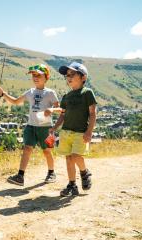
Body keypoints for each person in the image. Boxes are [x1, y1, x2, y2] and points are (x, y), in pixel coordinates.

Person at [0, 64, 59, 186]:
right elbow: (15, 101)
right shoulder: (30, 92)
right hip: (31, 126)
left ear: (46, 77)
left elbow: (58, 108)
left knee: (47, 151)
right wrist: (3, 94)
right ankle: (20, 176)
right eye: (33, 75)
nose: (35, 77)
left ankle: (51, 173)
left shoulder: (51, 93)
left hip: (46, 128)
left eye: (38, 75)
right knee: (27, 149)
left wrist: (51, 110)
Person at [49, 62, 97, 196]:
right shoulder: (66, 97)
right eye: (67, 75)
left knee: (76, 156)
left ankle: (84, 172)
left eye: (72, 74)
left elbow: (92, 114)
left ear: (83, 77)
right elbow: (63, 115)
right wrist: (54, 127)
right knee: (69, 158)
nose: (68, 77)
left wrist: (89, 132)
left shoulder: (87, 93)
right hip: (66, 132)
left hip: (80, 133)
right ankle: (72, 185)